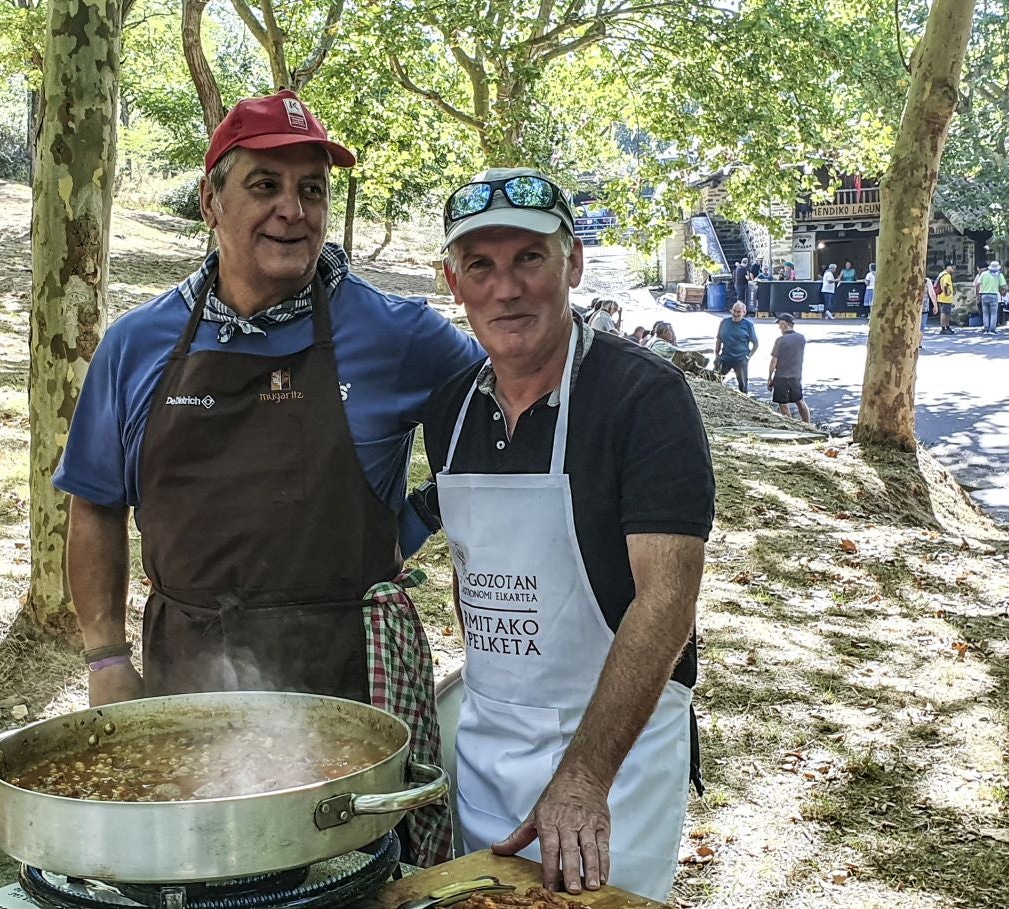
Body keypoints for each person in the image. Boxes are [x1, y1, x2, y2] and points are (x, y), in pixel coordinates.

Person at [53, 90, 479, 865]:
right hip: (185, 678)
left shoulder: (396, 333)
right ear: (211, 201)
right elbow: (95, 506)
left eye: (311, 189)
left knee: (351, 878)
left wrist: (411, 520)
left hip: (350, 689)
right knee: (197, 875)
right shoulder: (137, 344)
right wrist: (107, 659)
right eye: (265, 185)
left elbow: (503, 415)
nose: (293, 209)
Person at [421, 166, 711, 901]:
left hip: (619, 756)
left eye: (529, 259)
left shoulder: (644, 398)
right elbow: (473, 566)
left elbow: (668, 601)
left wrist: (583, 776)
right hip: (488, 745)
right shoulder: (449, 409)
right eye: (480, 265)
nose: (505, 288)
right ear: (453, 282)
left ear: (572, 262)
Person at [768, 314, 810, 422]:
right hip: (796, 375)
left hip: (781, 376)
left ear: (784, 323)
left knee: (783, 404)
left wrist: (769, 377)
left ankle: (792, 427)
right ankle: (808, 425)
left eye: (779, 324)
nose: (779, 327)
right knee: (800, 401)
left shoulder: (780, 340)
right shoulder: (801, 338)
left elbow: (774, 361)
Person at [714, 301, 758, 392]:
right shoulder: (724, 322)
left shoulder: (748, 325)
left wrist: (748, 357)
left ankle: (745, 401)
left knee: (743, 385)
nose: (735, 314)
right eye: (734, 311)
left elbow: (756, 343)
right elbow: (719, 340)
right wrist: (717, 355)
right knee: (714, 380)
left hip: (740, 359)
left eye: (738, 312)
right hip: (725, 357)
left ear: (744, 313)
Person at [976, 260, 1008, 334]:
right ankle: (992, 329)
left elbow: (977, 285)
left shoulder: (984, 274)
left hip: (984, 295)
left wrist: (978, 295)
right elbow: (1005, 287)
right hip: (993, 295)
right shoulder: (999, 275)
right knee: (994, 313)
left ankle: (986, 328)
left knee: (985, 313)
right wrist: (1003, 293)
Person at [935, 265, 957, 334]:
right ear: (947, 267)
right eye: (951, 266)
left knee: (946, 313)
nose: (953, 268)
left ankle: (947, 327)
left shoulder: (941, 274)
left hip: (940, 297)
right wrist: (946, 293)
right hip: (945, 299)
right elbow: (945, 285)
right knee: (944, 313)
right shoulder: (947, 276)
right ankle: (944, 328)